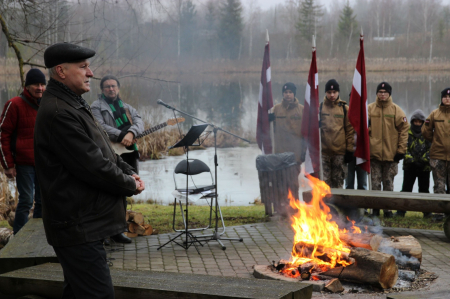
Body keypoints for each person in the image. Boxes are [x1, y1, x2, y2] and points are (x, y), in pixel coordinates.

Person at [34, 43, 145, 299]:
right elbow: (93, 167)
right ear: (61, 71)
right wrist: (129, 183)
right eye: (83, 67)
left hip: (83, 224)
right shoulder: (60, 113)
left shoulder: (73, 104)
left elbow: (103, 148)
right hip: (77, 227)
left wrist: (127, 169)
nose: (91, 73)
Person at [91, 75, 144, 244]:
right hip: (109, 152)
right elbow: (99, 126)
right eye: (107, 87)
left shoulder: (126, 107)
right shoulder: (96, 106)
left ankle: (117, 230)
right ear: (102, 90)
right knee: (107, 191)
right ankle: (103, 232)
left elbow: (139, 122)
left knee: (124, 190)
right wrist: (121, 134)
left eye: (113, 86)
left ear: (118, 88)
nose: (111, 89)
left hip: (128, 152)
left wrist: (131, 133)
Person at [0, 69, 46, 234]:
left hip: (44, 162)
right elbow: (2, 136)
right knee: (26, 200)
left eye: (42, 84)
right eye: (36, 84)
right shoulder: (14, 104)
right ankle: (18, 236)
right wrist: (8, 165)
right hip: (24, 163)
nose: (40, 88)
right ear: (28, 86)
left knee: (43, 201)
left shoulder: (47, 104)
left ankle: (38, 235)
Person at [368, 82, 409, 218]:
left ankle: (387, 210)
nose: (382, 94)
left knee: (388, 183)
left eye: (385, 92)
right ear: (377, 93)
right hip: (373, 155)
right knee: (374, 184)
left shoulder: (397, 110)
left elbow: (404, 130)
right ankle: (375, 209)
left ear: (389, 94)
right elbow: (361, 129)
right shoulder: (369, 109)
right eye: (380, 92)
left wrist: (401, 151)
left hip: (391, 155)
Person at [319, 79, 354, 188]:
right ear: (326, 93)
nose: (332, 95)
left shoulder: (344, 109)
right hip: (324, 153)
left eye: (334, 92)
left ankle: (338, 205)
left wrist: (349, 150)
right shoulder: (320, 108)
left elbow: (349, 131)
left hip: (339, 153)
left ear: (338, 92)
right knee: (324, 185)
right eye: (329, 92)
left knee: (338, 183)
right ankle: (326, 205)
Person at [397, 109, 431, 218]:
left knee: (424, 190)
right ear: (412, 122)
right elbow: (404, 147)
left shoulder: (427, 133)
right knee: (406, 189)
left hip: (424, 167)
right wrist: (411, 161)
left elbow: (431, 149)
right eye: (415, 122)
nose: (417, 124)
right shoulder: (406, 133)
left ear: (422, 123)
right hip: (409, 167)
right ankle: (401, 211)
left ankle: (426, 212)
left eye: (419, 122)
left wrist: (422, 161)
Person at [422, 88, 450, 198]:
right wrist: (435, 140)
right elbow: (425, 131)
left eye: (449, 97)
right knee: (439, 186)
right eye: (445, 97)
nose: (447, 99)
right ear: (442, 99)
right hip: (438, 155)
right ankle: (439, 213)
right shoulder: (435, 114)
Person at [272, 82, 304, 164]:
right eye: (286, 92)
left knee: (294, 176)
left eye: (290, 92)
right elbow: (270, 129)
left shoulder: (302, 110)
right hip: (280, 151)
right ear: (283, 94)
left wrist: (304, 151)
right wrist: (267, 119)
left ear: (294, 94)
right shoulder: (276, 109)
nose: (288, 94)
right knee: (281, 176)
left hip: (296, 152)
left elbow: (306, 132)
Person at [345, 95, 367, 191]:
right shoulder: (345, 112)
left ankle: (362, 205)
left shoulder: (366, 114)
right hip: (348, 152)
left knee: (362, 184)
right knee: (349, 183)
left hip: (362, 153)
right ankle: (349, 205)